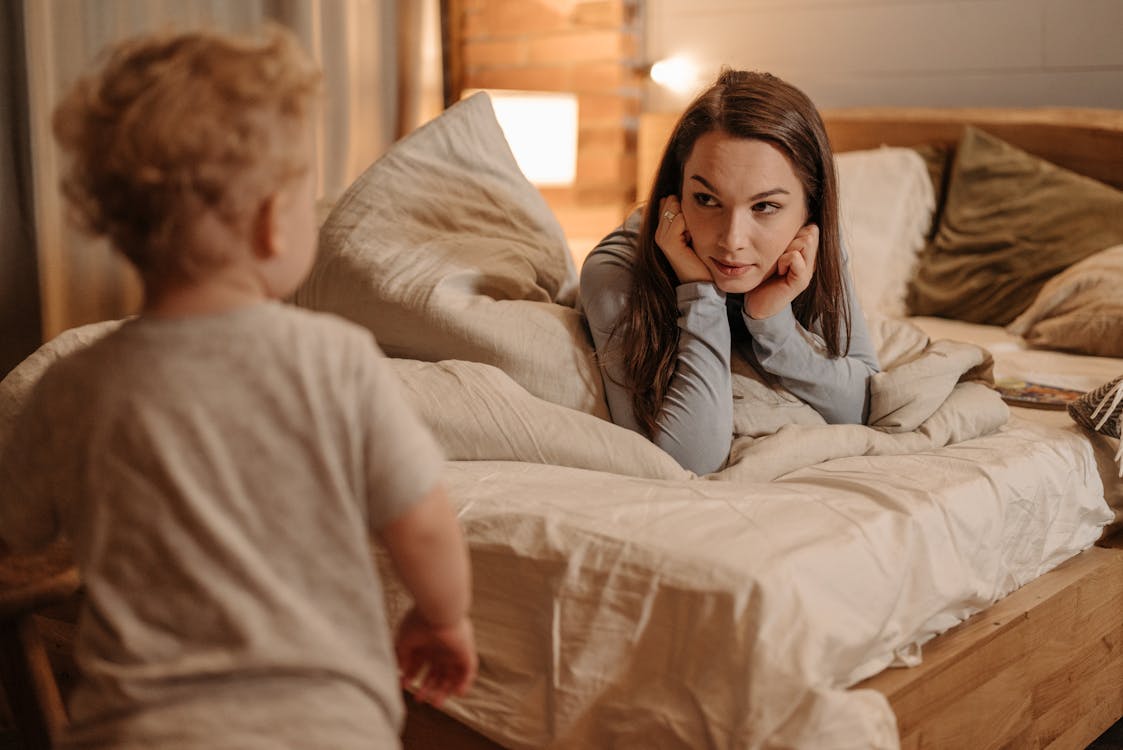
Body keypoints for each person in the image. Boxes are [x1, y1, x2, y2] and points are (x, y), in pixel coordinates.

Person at [0, 27, 475, 749]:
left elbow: (20, 531)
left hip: (135, 730)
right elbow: (425, 521)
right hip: (323, 726)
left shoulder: (70, 385)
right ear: (268, 224)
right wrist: (443, 617)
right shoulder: (336, 361)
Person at [580, 70, 880, 476]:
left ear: (810, 209)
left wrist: (772, 323)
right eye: (706, 199)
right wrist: (700, 293)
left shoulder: (813, 246)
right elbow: (688, 459)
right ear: (676, 193)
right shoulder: (616, 269)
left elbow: (862, 405)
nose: (732, 240)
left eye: (765, 207)